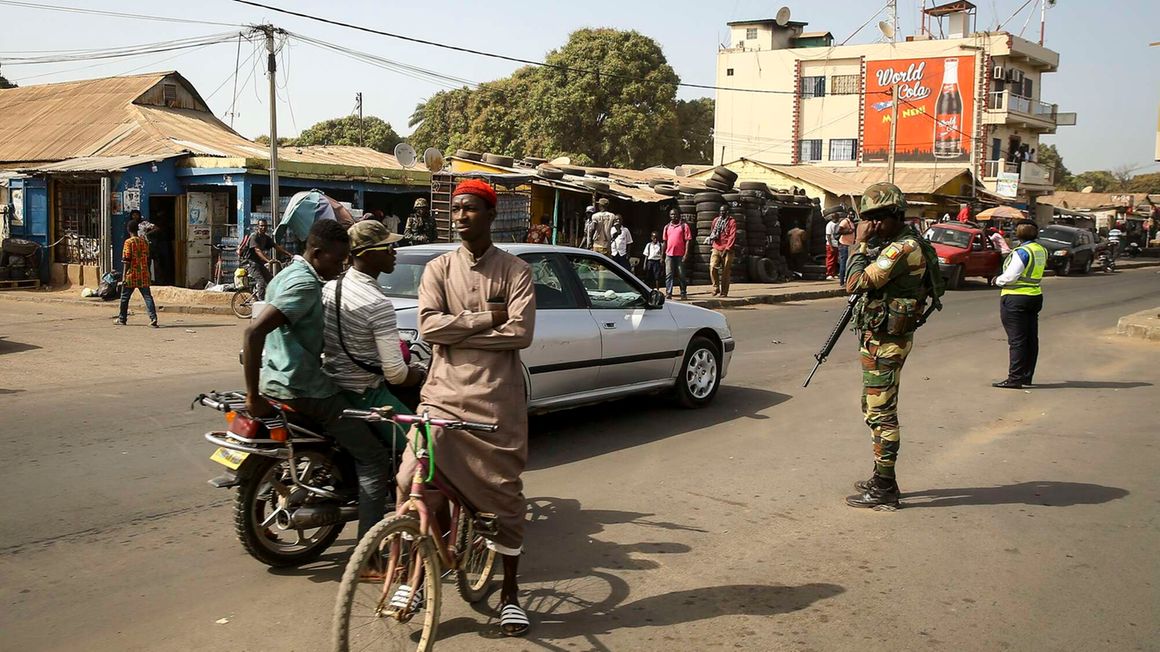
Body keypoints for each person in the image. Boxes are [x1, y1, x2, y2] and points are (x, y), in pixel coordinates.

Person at [398, 178, 536, 636]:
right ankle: (416, 578)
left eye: (471, 209)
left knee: (502, 498)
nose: (460, 217)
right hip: (441, 394)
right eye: (456, 209)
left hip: (495, 402)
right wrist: (486, 318)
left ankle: (510, 595)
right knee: (412, 480)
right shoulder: (437, 269)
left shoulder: (516, 271)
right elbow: (430, 329)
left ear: (491, 215)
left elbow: (521, 334)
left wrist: (459, 329)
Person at [242, 219, 395, 543]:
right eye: (337, 261)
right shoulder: (305, 285)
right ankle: (369, 554)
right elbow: (254, 332)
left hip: (279, 380)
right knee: (374, 458)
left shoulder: (287, 273)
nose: (341, 268)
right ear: (316, 252)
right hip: (304, 389)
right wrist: (251, 396)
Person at [844, 183, 938, 509]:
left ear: (892, 217)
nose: (871, 225)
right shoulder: (896, 244)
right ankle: (882, 475)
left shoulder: (901, 249)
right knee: (872, 408)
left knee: (882, 413)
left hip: (887, 342)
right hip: (881, 337)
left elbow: (854, 283)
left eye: (875, 219)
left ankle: (884, 487)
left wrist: (858, 245)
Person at [321, 220, 426, 443]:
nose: (394, 253)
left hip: (332, 385)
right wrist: (421, 374)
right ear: (367, 255)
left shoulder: (331, 288)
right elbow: (396, 375)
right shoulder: (378, 304)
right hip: (365, 392)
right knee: (423, 445)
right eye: (388, 248)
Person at [993, 220, 1047, 389]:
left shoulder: (1022, 252)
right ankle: (1026, 375)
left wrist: (997, 280)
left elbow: (1010, 276)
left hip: (1016, 298)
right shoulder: (1041, 250)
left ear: (1018, 234)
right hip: (1034, 296)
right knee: (1031, 339)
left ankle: (1015, 378)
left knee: (1017, 341)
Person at [116, 217, 159, 328]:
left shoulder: (128, 242)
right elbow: (147, 256)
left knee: (124, 298)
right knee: (147, 297)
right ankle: (153, 318)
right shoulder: (143, 241)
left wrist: (124, 276)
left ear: (128, 229)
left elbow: (126, 260)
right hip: (143, 273)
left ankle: (122, 318)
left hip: (132, 274)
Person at [240, 218, 290, 301]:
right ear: (257, 227)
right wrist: (268, 260)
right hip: (249, 263)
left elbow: (276, 246)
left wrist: (289, 254)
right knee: (261, 282)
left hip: (258, 263)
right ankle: (260, 302)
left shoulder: (265, 238)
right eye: (261, 226)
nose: (263, 228)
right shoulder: (254, 237)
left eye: (265, 226)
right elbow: (257, 250)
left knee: (272, 280)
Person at [661, 208, 692, 300]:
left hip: (680, 255)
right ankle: (668, 293)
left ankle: (683, 293)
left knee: (681, 275)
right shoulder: (666, 227)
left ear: (678, 215)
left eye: (675, 214)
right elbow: (664, 242)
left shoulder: (684, 226)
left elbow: (688, 241)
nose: (673, 216)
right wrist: (662, 256)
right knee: (669, 275)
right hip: (669, 255)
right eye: (671, 214)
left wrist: (686, 254)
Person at [708, 205, 737, 297]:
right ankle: (716, 287)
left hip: (727, 249)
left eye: (723, 211)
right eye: (720, 211)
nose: (721, 213)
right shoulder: (716, 220)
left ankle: (724, 292)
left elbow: (732, 236)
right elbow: (713, 231)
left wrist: (727, 249)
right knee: (712, 267)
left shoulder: (732, 222)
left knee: (725, 271)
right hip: (716, 247)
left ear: (727, 212)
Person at [837, 208, 855, 285]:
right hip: (844, 245)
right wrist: (848, 231)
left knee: (848, 263)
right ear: (848, 214)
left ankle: (846, 281)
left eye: (853, 214)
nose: (852, 216)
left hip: (850, 245)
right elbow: (839, 231)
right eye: (850, 214)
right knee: (843, 263)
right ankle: (841, 282)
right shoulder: (845, 221)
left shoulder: (851, 222)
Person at [824, 211, 841, 280]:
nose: (838, 219)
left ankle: (833, 273)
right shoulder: (829, 225)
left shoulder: (837, 224)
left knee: (835, 260)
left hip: (836, 244)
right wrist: (831, 246)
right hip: (830, 244)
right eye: (837, 217)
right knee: (830, 259)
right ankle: (829, 273)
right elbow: (828, 236)